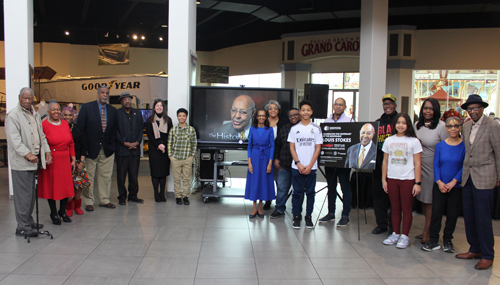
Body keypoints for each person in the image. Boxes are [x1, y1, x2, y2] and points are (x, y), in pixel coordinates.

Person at [455, 94, 500, 270]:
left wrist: (498, 177)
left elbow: (499, 153)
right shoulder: (466, 127)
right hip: (468, 177)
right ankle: (474, 249)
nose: (473, 111)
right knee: (470, 217)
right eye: (470, 109)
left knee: (483, 218)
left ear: (482, 108)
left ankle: (488, 254)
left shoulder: (493, 126)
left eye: (476, 108)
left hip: (486, 177)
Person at [5, 87, 52, 237]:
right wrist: (28, 154)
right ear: (19, 97)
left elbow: (41, 135)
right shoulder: (13, 115)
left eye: (29, 98)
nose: (26, 101)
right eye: (24, 98)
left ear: (32, 99)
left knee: (31, 195)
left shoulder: (34, 113)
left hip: (34, 162)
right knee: (23, 196)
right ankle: (22, 226)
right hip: (22, 163)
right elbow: (14, 141)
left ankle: (29, 221)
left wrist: (47, 151)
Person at [421, 117, 465, 253]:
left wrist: (454, 181)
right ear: (446, 128)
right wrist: (439, 182)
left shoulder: (464, 145)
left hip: (455, 186)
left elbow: (465, 166)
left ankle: (447, 241)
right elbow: (436, 164)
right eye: (450, 126)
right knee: (436, 214)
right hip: (439, 185)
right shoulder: (440, 145)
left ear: (460, 128)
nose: (453, 128)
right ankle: (433, 241)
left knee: (452, 215)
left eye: (456, 126)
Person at [382, 113, 422, 249]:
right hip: (392, 179)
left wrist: (417, 183)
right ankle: (395, 233)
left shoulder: (414, 141)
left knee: (406, 209)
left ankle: (405, 236)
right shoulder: (389, 140)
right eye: (398, 122)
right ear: (394, 125)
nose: (400, 125)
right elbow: (385, 161)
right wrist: (384, 180)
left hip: (408, 179)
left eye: (404, 123)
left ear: (408, 125)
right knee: (394, 208)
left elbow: (417, 163)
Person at [77, 85, 118, 211]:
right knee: (89, 176)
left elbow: (114, 130)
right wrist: (84, 149)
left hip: (107, 149)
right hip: (90, 149)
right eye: (102, 93)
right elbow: (80, 129)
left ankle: (104, 200)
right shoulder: (87, 108)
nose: (105, 95)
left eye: (107, 93)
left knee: (105, 176)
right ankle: (89, 201)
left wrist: (112, 145)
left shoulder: (112, 110)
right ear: (98, 94)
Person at [414, 98, 448, 244]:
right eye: (425, 108)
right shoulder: (417, 125)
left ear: (436, 110)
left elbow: (447, 148)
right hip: (418, 167)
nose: (427, 111)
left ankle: (428, 232)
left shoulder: (441, 126)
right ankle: (426, 229)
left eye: (431, 108)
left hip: (433, 168)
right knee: (423, 200)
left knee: (430, 201)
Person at [37, 100, 76, 225]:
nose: (56, 111)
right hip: (51, 160)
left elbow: (71, 142)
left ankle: (62, 212)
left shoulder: (65, 123)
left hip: (65, 159)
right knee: (51, 187)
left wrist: (73, 157)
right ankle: (53, 213)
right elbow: (41, 143)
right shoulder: (44, 125)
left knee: (65, 187)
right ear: (48, 111)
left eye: (58, 109)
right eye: (53, 109)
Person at [319, 97, 354, 227]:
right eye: (336, 104)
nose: (338, 106)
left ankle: (345, 215)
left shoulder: (350, 121)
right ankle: (331, 213)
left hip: (344, 162)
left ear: (344, 107)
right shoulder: (326, 121)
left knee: (345, 187)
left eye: (341, 105)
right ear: (333, 106)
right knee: (331, 187)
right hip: (330, 160)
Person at [288, 100, 323, 229]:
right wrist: (298, 163)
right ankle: (296, 216)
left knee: (310, 193)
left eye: (308, 110)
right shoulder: (294, 129)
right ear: (300, 112)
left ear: (311, 112)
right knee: (297, 193)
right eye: (303, 110)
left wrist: (309, 166)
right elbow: (292, 148)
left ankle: (308, 217)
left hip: (311, 168)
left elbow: (317, 148)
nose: (306, 112)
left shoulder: (316, 129)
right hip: (297, 167)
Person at [372, 94, 398, 235]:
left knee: (394, 198)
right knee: (379, 196)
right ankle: (381, 224)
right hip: (379, 166)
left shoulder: (401, 122)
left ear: (395, 105)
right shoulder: (377, 123)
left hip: (397, 166)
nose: (387, 106)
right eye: (385, 104)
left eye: (390, 103)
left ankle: (394, 226)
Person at [270, 108, 301, 219]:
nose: (293, 117)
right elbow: (277, 145)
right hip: (285, 165)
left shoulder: (305, 129)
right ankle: (279, 209)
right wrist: (276, 159)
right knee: (282, 188)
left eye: (295, 115)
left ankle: (296, 212)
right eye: (290, 116)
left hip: (300, 166)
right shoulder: (284, 129)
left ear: (300, 115)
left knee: (298, 190)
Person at [245, 110, 275, 218]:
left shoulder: (270, 129)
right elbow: (249, 147)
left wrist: (270, 162)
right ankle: (254, 209)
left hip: (266, 158)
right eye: (259, 115)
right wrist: (249, 162)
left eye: (263, 115)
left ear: (266, 117)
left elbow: (272, 146)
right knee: (254, 181)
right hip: (255, 157)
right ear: (256, 117)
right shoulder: (252, 129)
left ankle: (260, 208)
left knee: (263, 181)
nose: (261, 117)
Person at [115, 92, 144, 205]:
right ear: (121, 102)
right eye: (125, 99)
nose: (127, 101)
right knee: (121, 176)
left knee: (134, 175)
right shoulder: (117, 113)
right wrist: (124, 143)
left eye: (129, 99)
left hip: (135, 150)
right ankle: (122, 197)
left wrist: (137, 142)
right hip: (122, 150)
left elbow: (141, 128)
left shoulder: (137, 113)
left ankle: (133, 196)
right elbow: (115, 130)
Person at [168, 108, 197, 205]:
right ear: (177, 117)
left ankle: (185, 196)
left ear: (186, 117)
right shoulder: (173, 130)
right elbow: (169, 143)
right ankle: (177, 196)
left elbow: (194, 144)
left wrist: (192, 155)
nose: (181, 117)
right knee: (177, 178)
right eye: (180, 116)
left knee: (186, 178)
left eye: (183, 116)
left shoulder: (191, 130)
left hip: (187, 158)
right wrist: (170, 156)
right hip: (175, 158)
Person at [262, 100, 288, 211]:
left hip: (280, 155)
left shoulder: (284, 122)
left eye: (275, 108)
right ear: (267, 110)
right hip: (265, 155)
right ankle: (267, 201)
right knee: (267, 179)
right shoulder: (263, 122)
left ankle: (280, 204)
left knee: (280, 181)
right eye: (271, 108)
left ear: (278, 110)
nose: (273, 110)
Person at [146, 99, 173, 202]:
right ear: (154, 108)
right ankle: (156, 194)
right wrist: (158, 145)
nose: (159, 107)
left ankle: (162, 193)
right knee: (155, 173)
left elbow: (170, 134)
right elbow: (150, 135)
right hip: (154, 150)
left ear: (163, 107)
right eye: (157, 106)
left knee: (163, 173)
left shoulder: (168, 120)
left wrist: (164, 145)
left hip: (164, 150)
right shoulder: (149, 120)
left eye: (161, 106)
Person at [62, 106, 87, 217]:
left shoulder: (78, 129)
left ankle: (77, 206)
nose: (68, 117)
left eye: (70, 115)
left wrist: (81, 162)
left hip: (77, 161)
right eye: (65, 115)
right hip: (63, 161)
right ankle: (68, 207)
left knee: (78, 184)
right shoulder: (59, 128)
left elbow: (84, 145)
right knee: (66, 186)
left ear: (74, 116)